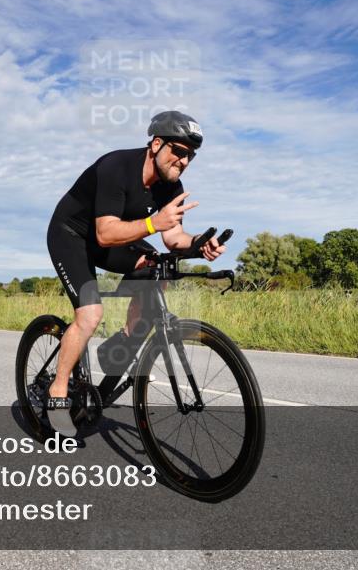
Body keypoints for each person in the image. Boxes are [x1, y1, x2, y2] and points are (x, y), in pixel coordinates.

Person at [44, 111, 226, 435]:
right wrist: (153, 223)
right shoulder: (117, 167)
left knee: (159, 266)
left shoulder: (172, 186)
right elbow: (105, 233)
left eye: (190, 156)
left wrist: (199, 245)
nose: (183, 161)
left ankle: (124, 342)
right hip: (71, 235)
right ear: (156, 144)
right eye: (178, 152)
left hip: (112, 238)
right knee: (89, 314)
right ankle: (57, 392)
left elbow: (173, 239)